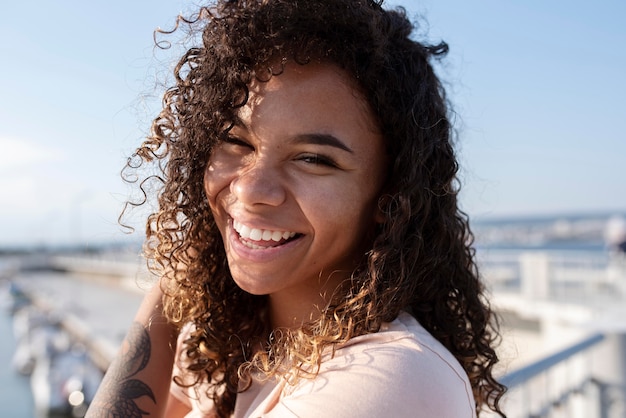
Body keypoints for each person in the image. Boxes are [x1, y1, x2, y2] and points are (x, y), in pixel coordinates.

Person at [87, 0, 507, 417]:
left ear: (389, 197)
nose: (251, 189)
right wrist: (185, 282)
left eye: (314, 159)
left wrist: (173, 283)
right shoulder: (225, 343)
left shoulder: (395, 380)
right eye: (236, 141)